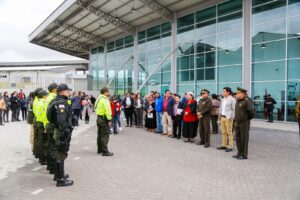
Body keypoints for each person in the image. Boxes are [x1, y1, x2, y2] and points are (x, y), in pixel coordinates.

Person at [47, 84, 74, 186]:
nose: (68, 92)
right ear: (62, 92)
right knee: (61, 154)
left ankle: (58, 175)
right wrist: (65, 134)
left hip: (58, 130)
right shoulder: (61, 103)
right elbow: (61, 121)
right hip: (61, 132)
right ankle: (60, 179)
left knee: (59, 152)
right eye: (67, 91)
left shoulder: (55, 100)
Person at [233, 87, 254, 160]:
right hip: (238, 122)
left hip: (244, 123)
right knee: (238, 139)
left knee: (244, 139)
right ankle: (239, 153)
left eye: (237, 93)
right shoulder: (238, 101)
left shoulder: (247, 101)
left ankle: (244, 154)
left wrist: (246, 119)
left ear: (242, 93)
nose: (236, 94)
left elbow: (251, 112)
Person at [95, 87, 113, 156]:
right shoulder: (105, 99)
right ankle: (105, 151)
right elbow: (108, 110)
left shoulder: (98, 98)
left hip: (99, 117)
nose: (109, 93)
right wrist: (109, 119)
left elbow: (95, 107)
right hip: (104, 119)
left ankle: (99, 150)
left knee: (99, 134)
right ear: (105, 92)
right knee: (105, 135)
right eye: (108, 92)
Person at [217, 87, 236, 152]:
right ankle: (224, 144)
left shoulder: (232, 99)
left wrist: (231, 117)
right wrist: (219, 118)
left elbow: (234, 109)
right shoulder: (223, 99)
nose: (223, 92)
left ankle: (230, 146)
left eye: (224, 91)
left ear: (228, 92)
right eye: (223, 91)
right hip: (222, 117)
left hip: (228, 118)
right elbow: (221, 109)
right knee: (223, 132)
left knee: (229, 132)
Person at [44, 83, 57, 175]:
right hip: (52, 124)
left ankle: (50, 166)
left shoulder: (48, 97)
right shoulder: (54, 98)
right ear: (54, 89)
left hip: (48, 124)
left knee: (49, 146)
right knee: (53, 147)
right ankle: (53, 168)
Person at [35, 90, 48, 165]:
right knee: (44, 141)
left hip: (39, 122)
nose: (47, 96)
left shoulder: (38, 102)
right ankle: (43, 159)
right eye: (46, 95)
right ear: (43, 96)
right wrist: (45, 126)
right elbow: (44, 116)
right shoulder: (43, 103)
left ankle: (41, 158)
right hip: (42, 123)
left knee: (41, 140)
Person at [32, 88, 43, 158]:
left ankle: (36, 152)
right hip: (38, 119)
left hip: (36, 119)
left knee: (36, 137)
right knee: (39, 137)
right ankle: (38, 153)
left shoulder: (36, 99)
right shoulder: (37, 101)